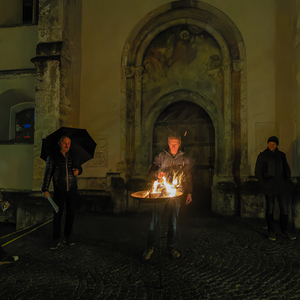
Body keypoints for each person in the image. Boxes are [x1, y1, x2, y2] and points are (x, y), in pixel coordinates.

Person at [143, 134, 193, 260]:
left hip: (176, 194)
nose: (173, 145)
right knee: (154, 222)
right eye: (171, 143)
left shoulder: (183, 158)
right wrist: (157, 174)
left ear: (179, 143)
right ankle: (150, 247)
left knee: (174, 222)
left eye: (175, 143)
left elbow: (188, 176)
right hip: (161, 192)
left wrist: (189, 192)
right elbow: (151, 171)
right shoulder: (161, 156)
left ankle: (171, 247)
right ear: (168, 143)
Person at [42, 136, 82, 250]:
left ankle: (68, 237)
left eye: (68, 143)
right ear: (60, 143)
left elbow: (79, 167)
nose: (67, 145)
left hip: (72, 190)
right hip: (59, 190)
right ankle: (56, 238)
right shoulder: (52, 156)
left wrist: (78, 171)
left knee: (71, 214)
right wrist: (45, 189)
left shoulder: (73, 155)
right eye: (64, 143)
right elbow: (47, 173)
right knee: (58, 214)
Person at [255, 136, 296, 241]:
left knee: (284, 210)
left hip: (281, 186)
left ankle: (284, 230)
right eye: (269, 144)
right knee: (270, 210)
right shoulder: (263, 156)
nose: (271, 146)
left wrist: (287, 183)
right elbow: (258, 172)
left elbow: (286, 170)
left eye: (273, 144)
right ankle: (271, 231)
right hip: (269, 186)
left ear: (276, 145)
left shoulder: (281, 155)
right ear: (267, 144)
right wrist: (264, 184)